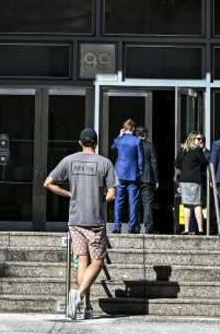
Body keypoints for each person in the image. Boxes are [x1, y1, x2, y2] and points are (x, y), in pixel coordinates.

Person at [44, 127, 117, 320]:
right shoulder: (105, 163)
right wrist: (101, 198)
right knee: (98, 262)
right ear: (96, 143)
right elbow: (112, 194)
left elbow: (48, 183)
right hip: (95, 220)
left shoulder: (69, 160)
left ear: (80, 143)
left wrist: (69, 194)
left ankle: (85, 306)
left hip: (75, 219)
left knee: (82, 261)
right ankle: (79, 294)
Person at [110, 118, 144, 233]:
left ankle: (116, 227)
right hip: (133, 174)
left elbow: (113, 147)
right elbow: (140, 160)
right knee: (133, 201)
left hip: (119, 173)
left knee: (118, 201)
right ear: (133, 128)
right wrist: (140, 172)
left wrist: (119, 136)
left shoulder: (119, 140)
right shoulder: (137, 141)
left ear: (124, 128)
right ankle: (132, 226)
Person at [175, 132, 208, 234]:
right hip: (195, 179)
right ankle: (200, 229)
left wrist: (185, 169)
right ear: (193, 139)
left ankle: (186, 229)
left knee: (187, 205)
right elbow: (205, 163)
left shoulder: (183, 149)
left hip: (184, 180)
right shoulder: (198, 150)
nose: (200, 141)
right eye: (198, 139)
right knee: (197, 204)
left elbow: (177, 164)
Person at [135, 126, 158, 234]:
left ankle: (135, 226)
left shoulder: (133, 145)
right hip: (147, 178)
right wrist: (156, 179)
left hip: (135, 177)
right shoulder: (150, 146)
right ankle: (148, 227)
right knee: (147, 203)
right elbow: (154, 163)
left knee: (135, 202)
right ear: (146, 134)